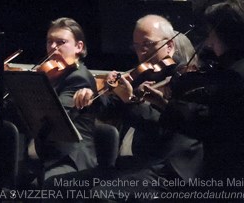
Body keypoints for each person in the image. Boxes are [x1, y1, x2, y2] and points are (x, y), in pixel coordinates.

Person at [67, 15, 203, 201]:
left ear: (169, 46)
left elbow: (163, 127)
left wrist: (130, 101)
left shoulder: (183, 81)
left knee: (102, 195)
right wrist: (92, 98)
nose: (142, 52)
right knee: (60, 185)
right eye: (137, 46)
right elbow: (110, 110)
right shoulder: (139, 75)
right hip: (127, 166)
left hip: (158, 168)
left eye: (147, 44)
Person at [160, 0, 244, 193]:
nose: (208, 42)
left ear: (225, 35)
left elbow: (211, 125)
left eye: (211, 33)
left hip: (233, 179)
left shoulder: (235, 76)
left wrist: (165, 104)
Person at [33, 17, 100, 182]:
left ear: (79, 47)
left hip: (71, 159)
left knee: (41, 188)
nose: (53, 47)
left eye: (61, 42)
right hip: (50, 156)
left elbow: (56, 116)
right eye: (50, 42)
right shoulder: (54, 74)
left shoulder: (79, 78)